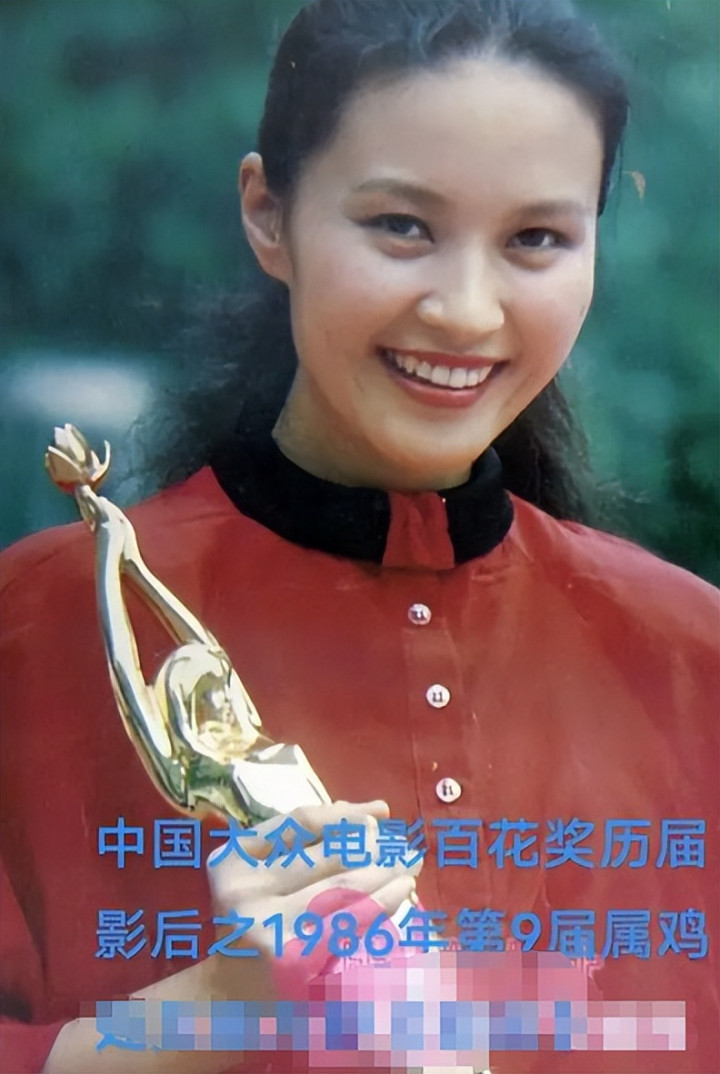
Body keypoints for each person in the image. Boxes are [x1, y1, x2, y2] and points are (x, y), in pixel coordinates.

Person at [0, 1, 717, 1073]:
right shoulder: (38, 629)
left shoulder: (692, 657)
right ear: (268, 214)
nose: (467, 312)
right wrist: (216, 1006)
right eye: (401, 226)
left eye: (536, 239)